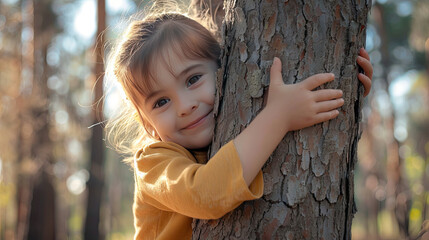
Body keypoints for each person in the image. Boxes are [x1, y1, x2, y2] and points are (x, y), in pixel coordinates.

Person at [106, 10, 373, 240]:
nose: (185, 106)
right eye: (161, 102)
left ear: (226, 70)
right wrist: (278, 116)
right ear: (145, 121)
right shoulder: (154, 162)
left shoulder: (233, 119)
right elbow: (205, 193)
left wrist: (345, 91)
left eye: (192, 79)